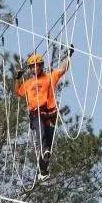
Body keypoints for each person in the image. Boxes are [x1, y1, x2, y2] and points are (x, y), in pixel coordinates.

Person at [15, 45, 74, 181]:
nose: (35, 68)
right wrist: (18, 78)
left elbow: (63, 69)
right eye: (32, 67)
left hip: (49, 113)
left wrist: (69, 56)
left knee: (49, 141)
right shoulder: (29, 83)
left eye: (37, 66)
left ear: (41, 66)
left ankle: (43, 170)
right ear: (30, 69)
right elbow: (18, 92)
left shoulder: (49, 77)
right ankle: (45, 151)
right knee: (41, 135)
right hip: (36, 113)